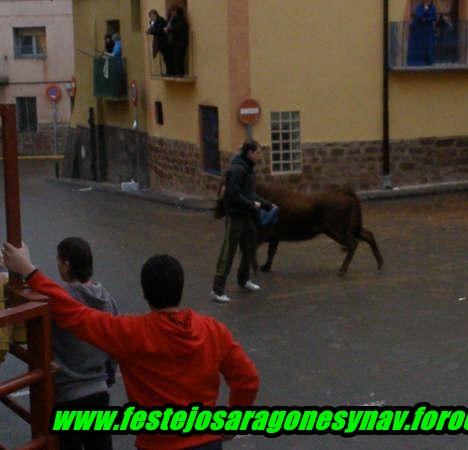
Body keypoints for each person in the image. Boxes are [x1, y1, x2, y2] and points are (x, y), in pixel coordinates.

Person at [2, 243, 259, 450]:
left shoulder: (130, 332)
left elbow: (74, 313)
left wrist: (30, 271)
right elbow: (247, 379)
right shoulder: (214, 330)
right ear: (180, 288)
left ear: (145, 293)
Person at [53, 237, 118, 450]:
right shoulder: (107, 300)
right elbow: (114, 346)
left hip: (67, 393)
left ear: (67, 265)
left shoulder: (60, 301)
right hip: (98, 389)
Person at [211, 141, 275, 303]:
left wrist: (268, 205)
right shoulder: (237, 170)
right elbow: (233, 194)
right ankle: (217, 289)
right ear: (249, 153)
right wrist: (251, 204)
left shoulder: (249, 171)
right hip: (236, 216)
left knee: (249, 248)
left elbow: (251, 194)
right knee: (228, 251)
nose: (260, 155)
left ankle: (243, 279)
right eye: (258, 152)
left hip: (248, 216)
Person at [407, 0, 437, 66]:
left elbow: (434, 17)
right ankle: (420, 63)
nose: (429, 1)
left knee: (429, 47)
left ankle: (430, 62)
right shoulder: (419, 7)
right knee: (421, 47)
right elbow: (418, 16)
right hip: (420, 32)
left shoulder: (433, 7)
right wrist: (425, 12)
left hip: (429, 32)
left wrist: (426, 19)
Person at [165, 5, 189, 76]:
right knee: (173, 58)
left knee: (179, 58)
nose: (172, 12)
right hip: (173, 42)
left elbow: (178, 28)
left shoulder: (181, 19)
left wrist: (169, 29)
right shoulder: (171, 19)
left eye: (174, 11)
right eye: (172, 11)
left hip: (180, 42)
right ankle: (174, 72)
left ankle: (180, 73)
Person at [147, 9, 169, 74]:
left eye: (151, 16)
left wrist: (152, 31)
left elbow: (160, 30)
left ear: (155, 14)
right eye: (150, 16)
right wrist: (150, 30)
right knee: (164, 58)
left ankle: (169, 72)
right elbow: (152, 29)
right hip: (158, 42)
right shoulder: (152, 22)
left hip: (164, 42)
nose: (151, 18)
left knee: (166, 58)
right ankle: (166, 72)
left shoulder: (161, 20)